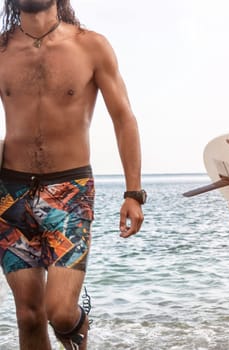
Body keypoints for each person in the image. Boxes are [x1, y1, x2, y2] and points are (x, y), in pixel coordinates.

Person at [0, 1, 146, 349]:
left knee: (60, 311)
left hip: (69, 192)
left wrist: (134, 192)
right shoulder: (2, 50)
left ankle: (77, 329)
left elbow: (124, 118)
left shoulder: (90, 46)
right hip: (10, 193)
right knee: (29, 316)